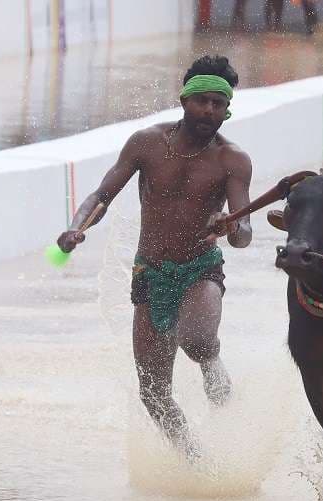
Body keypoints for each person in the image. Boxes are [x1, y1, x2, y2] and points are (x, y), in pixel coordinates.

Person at [54, 55, 253, 461]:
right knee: (153, 391)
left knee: (196, 342)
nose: (209, 110)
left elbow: (245, 234)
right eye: (202, 101)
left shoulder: (232, 160)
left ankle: (214, 366)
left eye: (219, 103)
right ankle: (196, 461)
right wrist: (79, 226)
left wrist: (230, 225)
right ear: (184, 99)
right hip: (149, 272)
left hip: (200, 269)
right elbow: (101, 196)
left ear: (227, 108)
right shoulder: (146, 143)